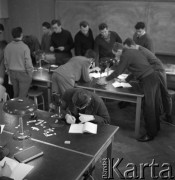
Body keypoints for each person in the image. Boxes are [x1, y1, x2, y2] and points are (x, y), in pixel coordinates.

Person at [98, 42, 161, 142]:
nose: (115, 56)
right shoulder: (133, 51)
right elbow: (136, 68)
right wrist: (126, 80)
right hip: (154, 77)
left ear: (119, 51)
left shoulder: (125, 55)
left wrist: (105, 80)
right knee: (154, 105)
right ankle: (156, 128)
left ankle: (150, 134)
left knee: (148, 106)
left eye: (115, 54)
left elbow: (118, 71)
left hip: (148, 80)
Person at [123, 38, 172, 123]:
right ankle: (160, 115)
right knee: (156, 96)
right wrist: (127, 79)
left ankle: (169, 116)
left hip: (158, 71)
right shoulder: (137, 49)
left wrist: (127, 79)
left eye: (127, 49)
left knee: (164, 94)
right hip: (152, 71)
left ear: (131, 46)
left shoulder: (141, 53)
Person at [4, 27, 34, 98]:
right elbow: (28, 64)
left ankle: (15, 108)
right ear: (21, 34)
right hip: (23, 74)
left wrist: (9, 72)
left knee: (16, 94)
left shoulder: (8, 46)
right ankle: (21, 108)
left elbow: (6, 62)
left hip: (12, 74)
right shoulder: (24, 47)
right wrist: (30, 75)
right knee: (22, 96)